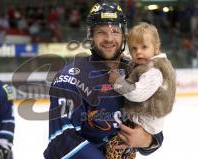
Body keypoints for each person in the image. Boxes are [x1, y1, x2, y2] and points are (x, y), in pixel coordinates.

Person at [44, 2, 163, 159]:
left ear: (123, 36)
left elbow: (154, 126)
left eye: (115, 31)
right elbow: (61, 140)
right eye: (101, 32)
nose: (109, 38)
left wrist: (146, 140)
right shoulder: (70, 78)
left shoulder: (138, 73)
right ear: (91, 36)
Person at [107, 22, 176, 158]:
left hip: (145, 125)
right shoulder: (146, 64)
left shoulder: (154, 70)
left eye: (144, 47)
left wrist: (117, 81)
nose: (138, 52)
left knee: (115, 148)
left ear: (156, 48)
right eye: (133, 49)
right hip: (144, 123)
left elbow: (136, 93)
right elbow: (135, 68)